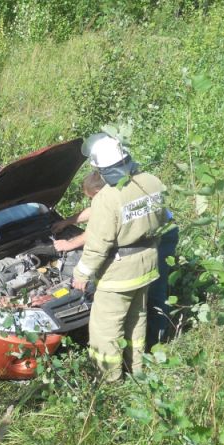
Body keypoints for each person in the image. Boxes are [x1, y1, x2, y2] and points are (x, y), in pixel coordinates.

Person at [70, 134, 168, 381]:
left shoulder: (107, 197)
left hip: (119, 273)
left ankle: (110, 378)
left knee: (106, 328)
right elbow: (161, 218)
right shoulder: (151, 182)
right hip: (148, 263)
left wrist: (82, 273)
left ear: (101, 169)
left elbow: (98, 244)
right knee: (137, 319)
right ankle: (136, 369)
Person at [53, 172, 179, 347]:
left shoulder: (117, 195)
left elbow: (99, 233)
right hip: (145, 237)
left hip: (161, 235)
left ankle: (157, 341)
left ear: (100, 190)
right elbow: (97, 210)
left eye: (93, 197)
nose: (93, 201)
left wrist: (69, 244)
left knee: (155, 288)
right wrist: (68, 221)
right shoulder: (116, 188)